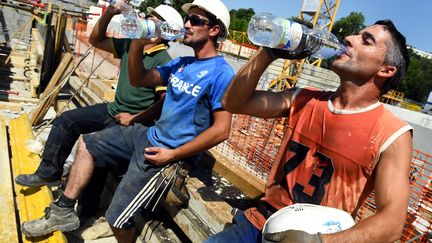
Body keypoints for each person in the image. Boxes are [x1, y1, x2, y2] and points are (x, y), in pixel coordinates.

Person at [20, 0, 234, 242]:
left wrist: (173, 155)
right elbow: (139, 78)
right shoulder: (183, 63)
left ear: (214, 30)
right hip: (148, 135)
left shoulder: (222, 73)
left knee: (117, 219)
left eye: (195, 21)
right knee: (88, 143)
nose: (187, 24)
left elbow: (221, 130)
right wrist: (136, 42)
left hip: (165, 152)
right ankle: (63, 210)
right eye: (187, 19)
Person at [207, 19, 412, 242]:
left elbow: (392, 224)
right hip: (259, 224)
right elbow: (233, 103)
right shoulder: (304, 98)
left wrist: (318, 241)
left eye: (366, 41)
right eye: (355, 34)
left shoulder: (392, 134)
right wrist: (268, 53)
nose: (349, 39)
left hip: (317, 235)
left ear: (386, 69)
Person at [15, 4, 183, 187]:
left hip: (134, 121)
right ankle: (48, 173)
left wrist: (133, 119)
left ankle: (86, 207)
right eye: (150, 17)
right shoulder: (130, 44)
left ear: (165, 31)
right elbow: (96, 40)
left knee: (96, 150)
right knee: (66, 121)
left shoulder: (163, 60)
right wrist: (111, 11)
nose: (149, 21)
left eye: (155, 20)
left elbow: (164, 102)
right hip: (114, 110)